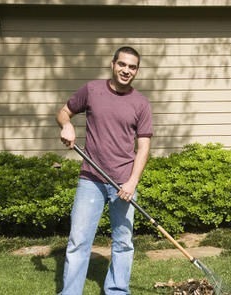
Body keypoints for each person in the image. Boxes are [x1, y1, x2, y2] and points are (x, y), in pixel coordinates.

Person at [56, 46, 153, 295]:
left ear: (137, 71)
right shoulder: (92, 90)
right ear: (112, 64)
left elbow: (143, 147)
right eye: (122, 64)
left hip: (124, 182)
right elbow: (64, 113)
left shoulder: (141, 103)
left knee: (123, 242)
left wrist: (132, 182)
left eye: (132, 67)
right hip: (91, 178)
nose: (126, 70)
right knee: (79, 241)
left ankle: (118, 290)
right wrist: (66, 125)